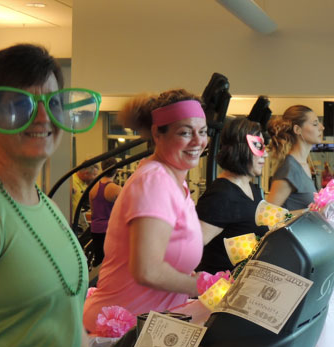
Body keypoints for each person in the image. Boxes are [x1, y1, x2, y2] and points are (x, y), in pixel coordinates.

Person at [0, 43, 100, 347]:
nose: (43, 117)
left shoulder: (44, 204)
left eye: (53, 103)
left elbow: (70, 323)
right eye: (19, 104)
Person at [83, 89, 208, 333]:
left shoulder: (176, 182)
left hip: (149, 325)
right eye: (185, 132)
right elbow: (147, 271)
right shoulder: (155, 182)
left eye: (202, 132)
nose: (197, 141)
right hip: (121, 333)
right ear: (157, 134)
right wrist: (203, 286)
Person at [196, 117, 269, 275]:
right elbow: (190, 250)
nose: (266, 155)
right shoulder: (221, 195)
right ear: (241, 149)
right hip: (220, 293)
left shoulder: (252, 189)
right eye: (259, 147)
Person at [266, 105, 324, 210]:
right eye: (315, 124)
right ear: (297, 129)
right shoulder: (289, 168)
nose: (321, 127)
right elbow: (268, 215)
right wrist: (301, 214)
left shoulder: (305, 165)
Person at [89, 157, 121, 266]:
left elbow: (93, 212)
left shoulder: (92, 188)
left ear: (103, 168)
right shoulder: (116, 189)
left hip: (95, 230)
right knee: (110, 263)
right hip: (109, 231)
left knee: (98, 261)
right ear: (116, 170)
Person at [72, 162, 99, 231]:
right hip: (70, 223)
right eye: (94, 175)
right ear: (86, 173)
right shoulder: (71, 182)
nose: (96, 178)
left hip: (79, 222)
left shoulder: (84, 183)